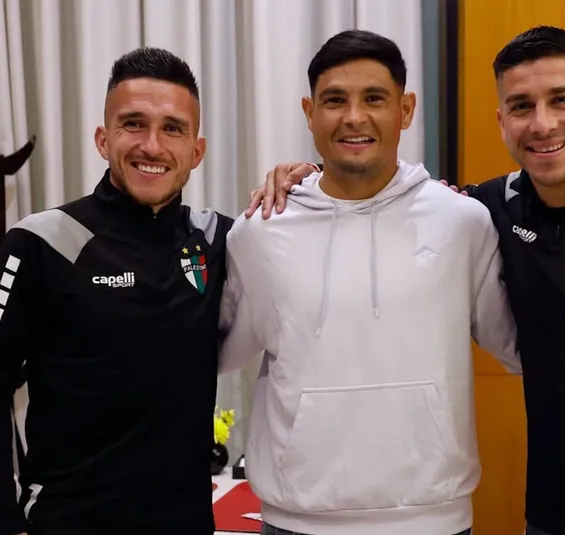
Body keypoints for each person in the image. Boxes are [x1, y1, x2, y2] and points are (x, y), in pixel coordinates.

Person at [249, 26, 565, 535]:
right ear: (502, 120)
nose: (542, 123)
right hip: (553, 517)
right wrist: (310, 176)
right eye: (521, 106)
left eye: (562, 100)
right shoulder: (491, 208)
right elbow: (372, 187)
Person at [218, 29, 520, 535]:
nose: (354, 117)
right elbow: (216, 350)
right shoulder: (261, 230)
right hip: (296, 521)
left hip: (433, 519)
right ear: (309, 112)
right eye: (335, 100)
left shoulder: (462, 222)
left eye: (374, 99)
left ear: (406, 110)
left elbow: (517, 344)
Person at [0, 47, 234, 535]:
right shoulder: (40, 242)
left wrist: (302, 179)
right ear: (103, 140)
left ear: (197, 151)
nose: (152, 145)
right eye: (133, 124)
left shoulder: (220, 240)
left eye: (173, 128)